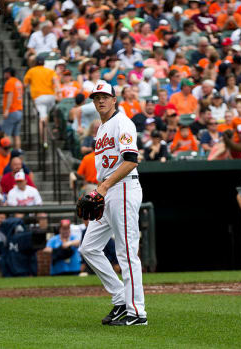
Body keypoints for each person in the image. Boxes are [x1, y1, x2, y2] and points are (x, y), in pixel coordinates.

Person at [76, 80, 146, 326]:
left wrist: (103, 187)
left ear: (114, 99)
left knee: (126, 252)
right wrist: (101, 190)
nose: (100, 100)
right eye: (96, 97)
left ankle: (137, 312)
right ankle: (120, 298)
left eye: (105, 96)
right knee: (89, 248)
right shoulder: (102, 128)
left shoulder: (122, 122)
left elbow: (130, 160)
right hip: (107, 190)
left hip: (123, 187)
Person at [2, 67, 23, 150]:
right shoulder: (18, 82)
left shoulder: (10, 82)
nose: (4, 75)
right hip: (19, 110)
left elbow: (10, 96)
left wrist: (7, 110)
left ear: (8, 73)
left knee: (7, 134)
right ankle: (18, 152)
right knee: (16, 135)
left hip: (12, 110)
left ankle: (8, 152)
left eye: (5, 73)